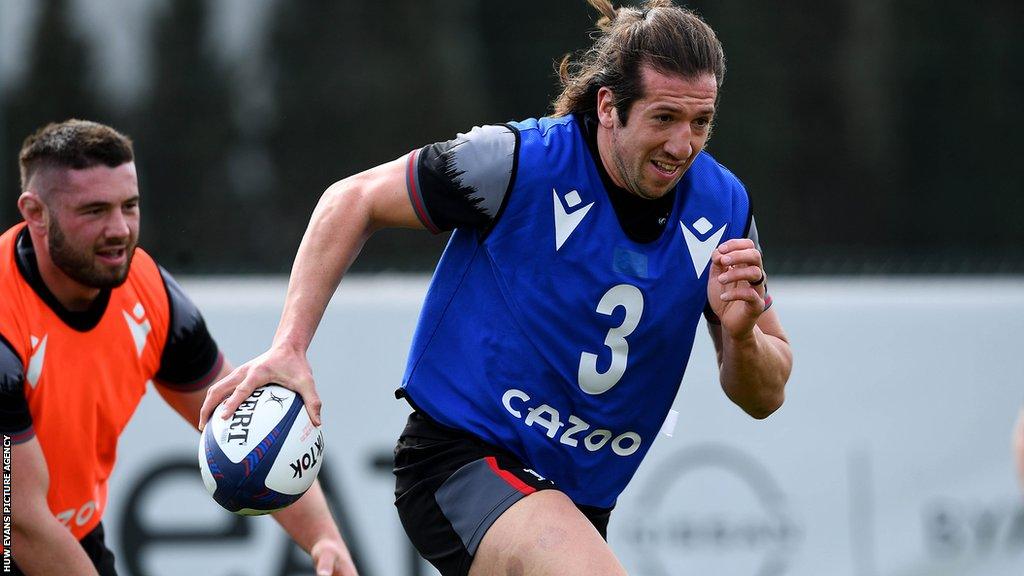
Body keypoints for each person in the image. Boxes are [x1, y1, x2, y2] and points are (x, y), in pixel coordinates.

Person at [201, 1, 793, 574]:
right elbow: (351, 200)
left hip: (579, 499)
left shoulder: (725, 208)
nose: (682, 145)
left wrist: (740, 338)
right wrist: (290, 346)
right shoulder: (517, 162)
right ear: (609, 106)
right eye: (663, 118)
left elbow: (765, 395)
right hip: (459, 460)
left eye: (701, 122)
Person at [0, 120, 358, 576]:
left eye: (129, 206)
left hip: (72, 537)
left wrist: (324, 539)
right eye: (93, 211)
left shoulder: (148, 294)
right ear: (34, 213)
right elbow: (19, 521)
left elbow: (238, 422)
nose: (119, 229)